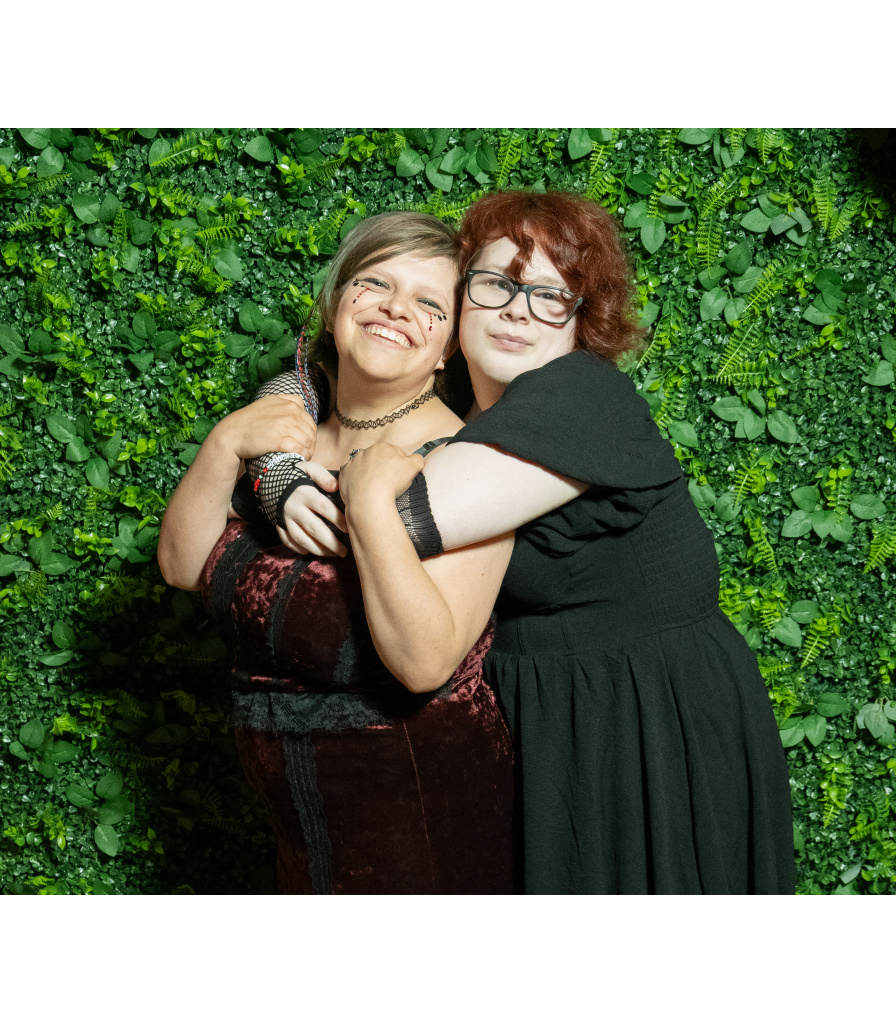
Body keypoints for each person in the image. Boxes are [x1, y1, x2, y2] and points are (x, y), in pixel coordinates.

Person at [252, 191, 795, 895]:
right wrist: (276, 457)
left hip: (647, 718)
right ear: (460, 302)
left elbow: (383, 521)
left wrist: (286, 480)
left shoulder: (581, 398)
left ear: (580, 321)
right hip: (538, 717)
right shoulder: (457, 398)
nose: (518, 310)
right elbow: (309, 376)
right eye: (497, 284)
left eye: (551, 296)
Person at [157, 212, 516, 894]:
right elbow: (182, 565)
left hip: (421, 826)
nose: (395, 308)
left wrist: (370, 503)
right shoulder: (281, 433)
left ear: (449, 348)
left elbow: (425, 663)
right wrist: (227, 442)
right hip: (301, 831)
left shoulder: (466, 462)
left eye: (429, 303)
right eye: (375, 282)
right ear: (335, 303)